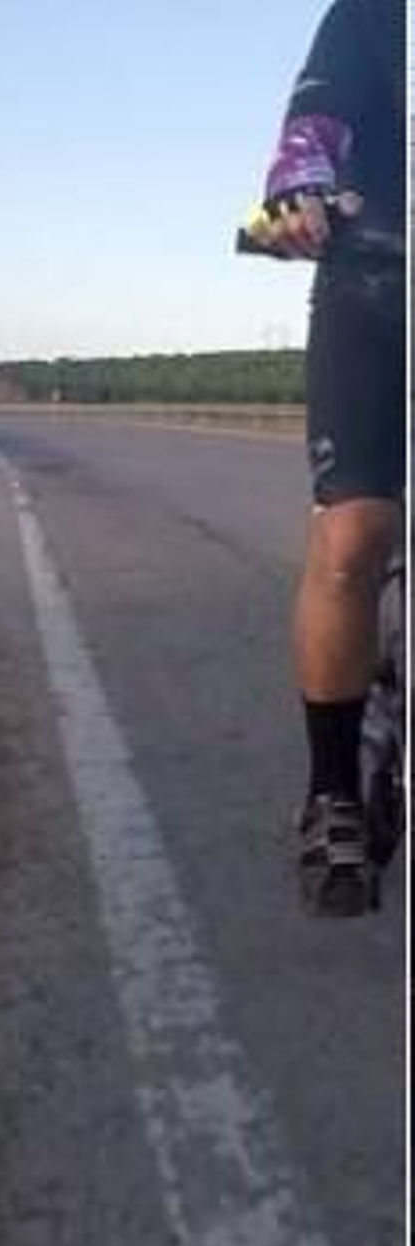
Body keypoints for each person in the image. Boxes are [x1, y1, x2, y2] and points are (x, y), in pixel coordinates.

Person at [261, 0, 406, 916]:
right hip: (375, 283)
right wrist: (298, 189)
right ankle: (331, 788)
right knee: (353, 535)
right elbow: (313, 124)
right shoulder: (373, 14)